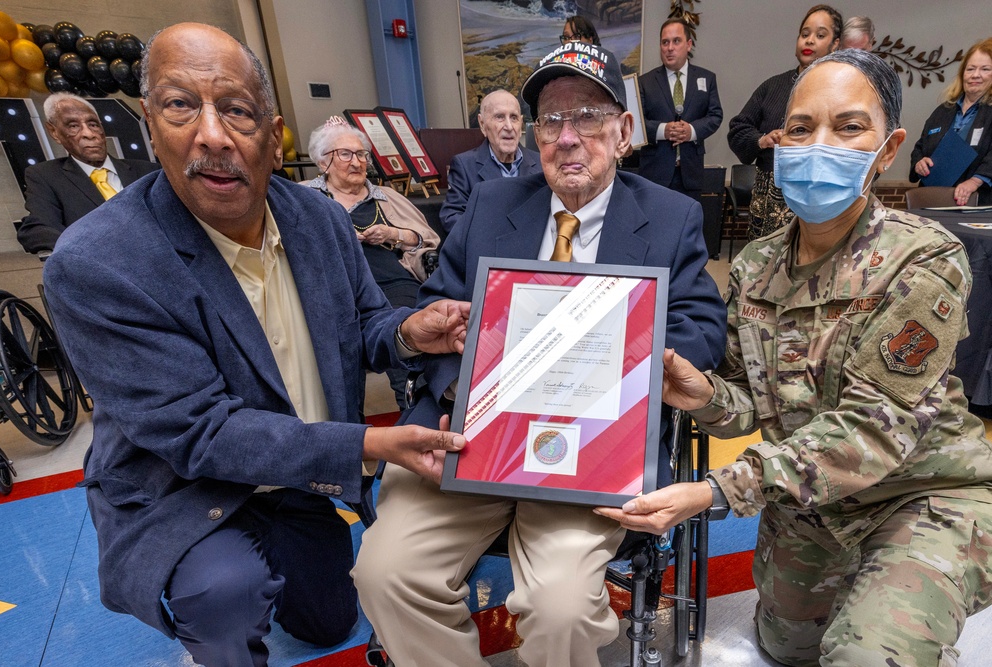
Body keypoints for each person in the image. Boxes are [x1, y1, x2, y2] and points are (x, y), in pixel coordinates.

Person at [41, 22, 470, 667]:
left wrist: (408, 332)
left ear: (272, 136)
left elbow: (365, 324)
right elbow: (201, 433)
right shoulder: (98, 262)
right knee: (226, 594)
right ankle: (207, 620)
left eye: (236, 110)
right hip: (182, 487)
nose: (212, 135)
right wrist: (372, 444)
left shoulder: (317, 219)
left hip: (299, 477)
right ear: (151, 127)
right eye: (182, 104)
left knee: (327, 623)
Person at [598, 48, 992, 666]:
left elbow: (872, 430)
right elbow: (747, 400)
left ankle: (909, 614)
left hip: (922, 494)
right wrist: (705, 396)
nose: (819, 144)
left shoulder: (925, 259)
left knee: (866, 652)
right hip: (811, 501)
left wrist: (717, 490)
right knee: (786, 647)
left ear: (887, 150)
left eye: (849, 126)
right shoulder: (756, 265)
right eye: (803, 128)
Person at [353, 41, 726, 667]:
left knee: (561, 607)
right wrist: (457, 387)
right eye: (551, 120)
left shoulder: (670, 217)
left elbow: (701, 327)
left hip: (592, 447)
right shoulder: (494, 205)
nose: (568, 137)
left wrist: (616, 357)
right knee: (386, 573)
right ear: (533, 136)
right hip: (473, 435)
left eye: (588, 116)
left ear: (624, 131)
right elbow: (441, 306)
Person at [303, 117, 440, 409]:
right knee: (337, 344)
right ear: (322, 161)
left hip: (392, 283)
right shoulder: (304, 197)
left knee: (407, 330)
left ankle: (415, 410)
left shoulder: (386, 197)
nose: (357, 162)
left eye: (361, 154)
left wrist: (393, 233)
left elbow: (426, 240)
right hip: (331, 288)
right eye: (345, 154)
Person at [728, 4, 842, 241]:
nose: (809, 41)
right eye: (804, 34)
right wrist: (762, 140)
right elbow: (738, 129)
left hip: (822, 199)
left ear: (835, 45)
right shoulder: (773, 86)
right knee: (766, 272)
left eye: (820, 35)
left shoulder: (843, 90)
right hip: (768, 202)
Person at [16, 91, 159, 255]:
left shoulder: (148, 171)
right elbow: (36, 230)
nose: (89, 134)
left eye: (93, 124)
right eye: (73, 126)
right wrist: (87, 252)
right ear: (54, 132)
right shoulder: (46, 176)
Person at [637, 17, 723, 202]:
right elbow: (636, 123)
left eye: (676, 41)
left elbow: (715, 116)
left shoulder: (707, 78)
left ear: (688, 44)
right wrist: (663, 131)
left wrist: (690, 131)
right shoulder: (644, 82)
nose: (670, 48)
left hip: (690, 174)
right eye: (665, 42)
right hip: (654, 174)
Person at [440, 89, 541, 232]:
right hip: (488, 250)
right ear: (482, 124)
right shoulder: (464, 165)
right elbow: (451, 217)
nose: (509, 126)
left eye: (514, 117)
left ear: (521, 122)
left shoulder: (542, 163)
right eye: (499, 117)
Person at [910, 38, 992, 205]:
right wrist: (919, 163)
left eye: (985, 69)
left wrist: (975, 181)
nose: (975, 75)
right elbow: (920, 147)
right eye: (970, 69)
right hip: (933, 199)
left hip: (980, 204)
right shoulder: (943, 110)